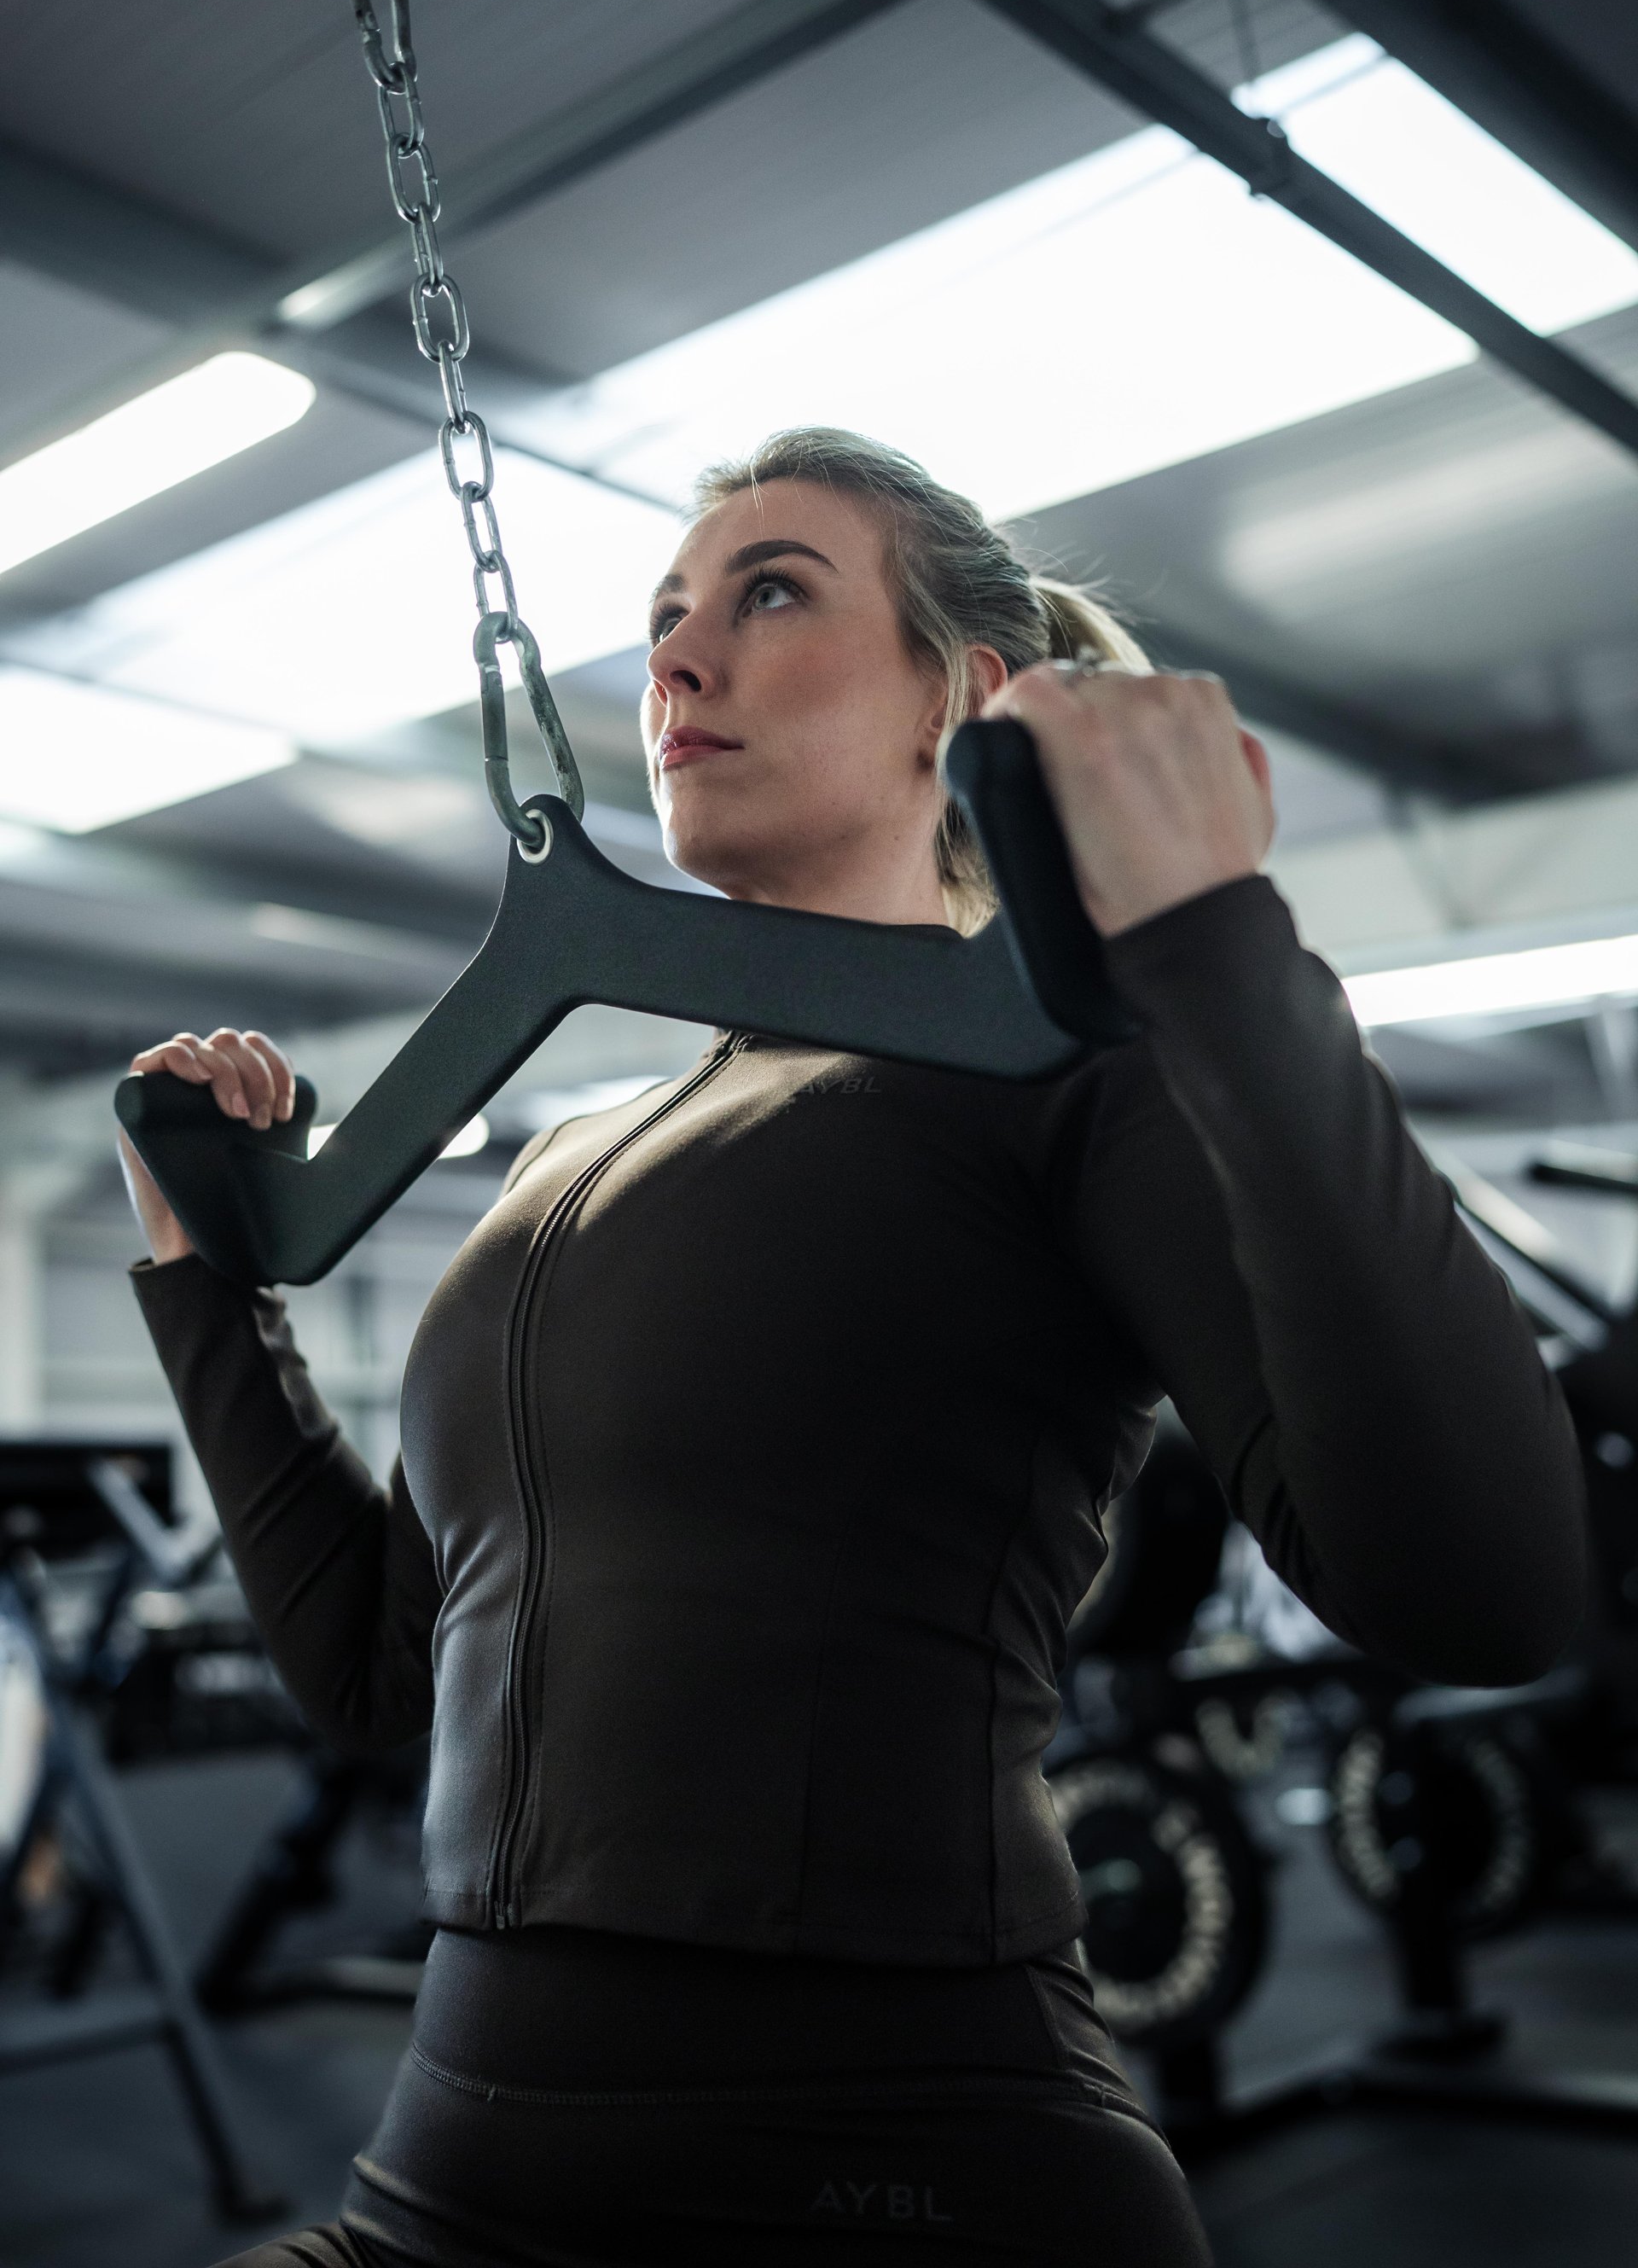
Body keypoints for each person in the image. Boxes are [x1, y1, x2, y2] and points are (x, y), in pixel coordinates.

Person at [119, 427, 1586, 2267]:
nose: (676, 656)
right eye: (664, 616)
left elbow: (1489, 1590)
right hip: (444, 2191)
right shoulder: (560, 1161)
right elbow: (387, 1690)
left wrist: (1215, 946)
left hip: (892, 2177)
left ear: (958, 698)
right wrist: (204, 1284)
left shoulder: (1061, 1079)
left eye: (773, 593)